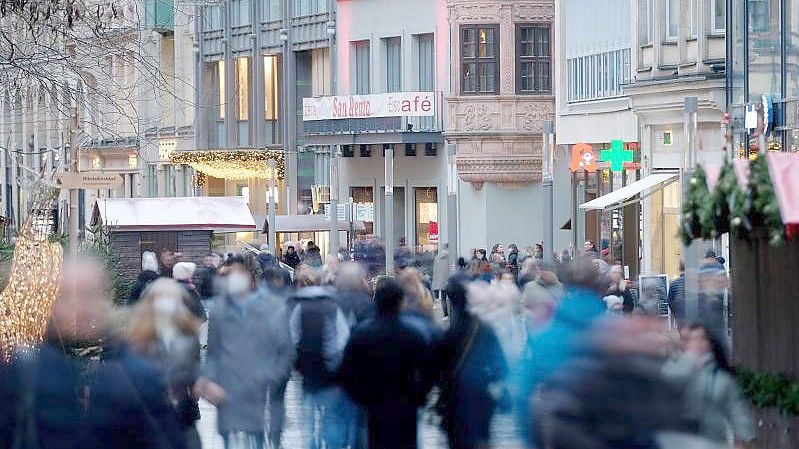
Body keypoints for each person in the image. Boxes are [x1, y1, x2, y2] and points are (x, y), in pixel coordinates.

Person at [1, 256, 187, 449]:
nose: (78, 307)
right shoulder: (26, 374)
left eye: (88, 295)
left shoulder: (138, 378)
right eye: (66, 295)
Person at [195, 259, 295, 449]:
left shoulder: (272, 308)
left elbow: (285, 350)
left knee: (256, 436)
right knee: (229, 438)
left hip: (259, 388)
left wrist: (271, 377)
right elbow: (214, 351)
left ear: (250, 279)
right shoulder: (219, 311)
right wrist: (208, 380)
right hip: (228, 389)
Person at [338, 279, 436, 449]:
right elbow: (429, 370)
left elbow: (347, 370)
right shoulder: (413, 335)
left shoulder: (362, 334)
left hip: (374, 403)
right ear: (400, 303)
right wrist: (419, 395)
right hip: (406, 402)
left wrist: (360, 396)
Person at [127, 278, 203, 449]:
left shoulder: (188, 336)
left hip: (181, 415)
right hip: (147, 416)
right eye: (161, 296)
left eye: (171, 297)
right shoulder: (137, 339)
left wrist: (197, 384)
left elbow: (194, 369)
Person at [436, 279, 509, 449]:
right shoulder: (483, 328)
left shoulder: (448, 335)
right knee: (481, 439)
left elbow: (437, 370)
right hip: (481, 395)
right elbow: (500, 364)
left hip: (455, 399)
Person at [665, 323, 754, 446]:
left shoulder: (721, 377)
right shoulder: (672, 369)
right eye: (693, 339)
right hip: (680, 439)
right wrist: (689, 363)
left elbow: (736, 408)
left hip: (713, 439)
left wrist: (745, 437)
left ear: (710, 343)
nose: (698, 343)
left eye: (702, 338)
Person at [289, 285, 350, 449]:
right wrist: (335, 364)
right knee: (330, 417)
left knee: (308, 417)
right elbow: (342, 341)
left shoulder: (299, 308)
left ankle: (311, 444)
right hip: (329, 374)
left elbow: (292, 339)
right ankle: (331, 444)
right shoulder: (333, 308)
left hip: (306, 372)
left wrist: (297, 364)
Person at [432, 244, 450, 319]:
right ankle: (452, 315)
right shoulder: (451, 257)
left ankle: (445, 314)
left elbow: (435, 270)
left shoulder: (437, 257)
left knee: (443, 298)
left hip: (441, 281)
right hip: (450, 281)